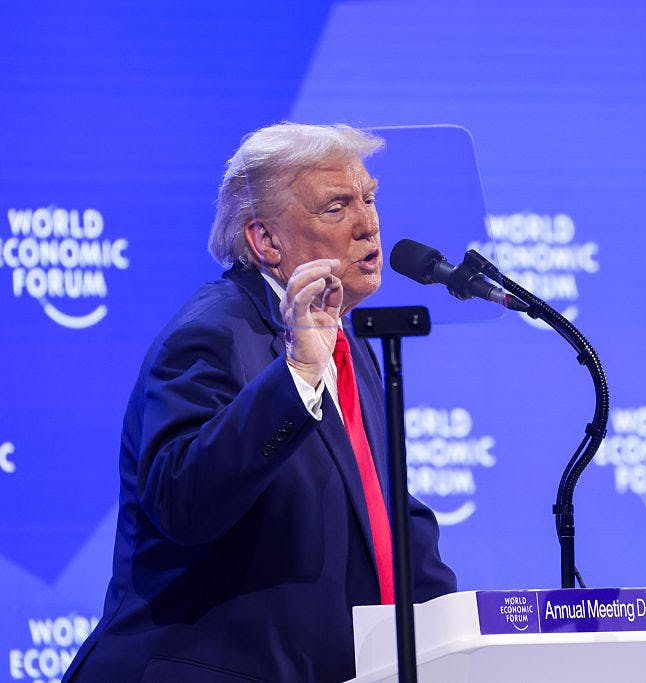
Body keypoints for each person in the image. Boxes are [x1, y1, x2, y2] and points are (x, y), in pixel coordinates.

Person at [63, 123, 456, 682]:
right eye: (336, 206)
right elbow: (182, 501)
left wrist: (452, 631)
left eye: (369, 198)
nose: (369, 223)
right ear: (266, 241)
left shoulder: (344, 335)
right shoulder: (212, 332)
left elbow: (382, 507)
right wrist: (295, 374)